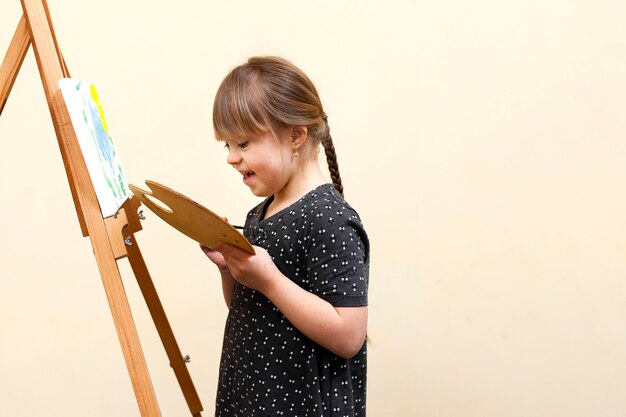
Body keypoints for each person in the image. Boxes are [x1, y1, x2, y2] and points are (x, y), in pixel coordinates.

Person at [201, 56, 370, 417]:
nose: (231, 157)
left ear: (295, 135)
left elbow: (349, 335)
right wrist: (230, 270)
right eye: (227, 145)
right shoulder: (260, 213)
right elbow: (252, 311)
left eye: (243, 143)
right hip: (254, 398)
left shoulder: (328, 218)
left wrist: (270, 281)